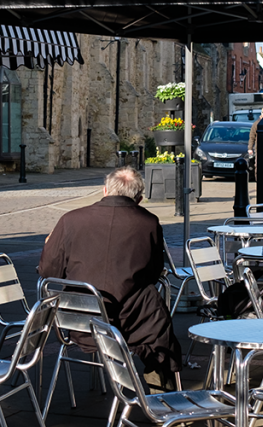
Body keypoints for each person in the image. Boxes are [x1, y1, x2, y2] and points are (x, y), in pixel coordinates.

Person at [38, 166, 182, 389]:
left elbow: (49, 272)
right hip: (133, 321)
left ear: (105, 190)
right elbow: (154, 272)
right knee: (154, 308)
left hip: (80, 319)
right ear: (139, 198)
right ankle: (160, 382)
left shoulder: (70, 219)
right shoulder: (148, 222)